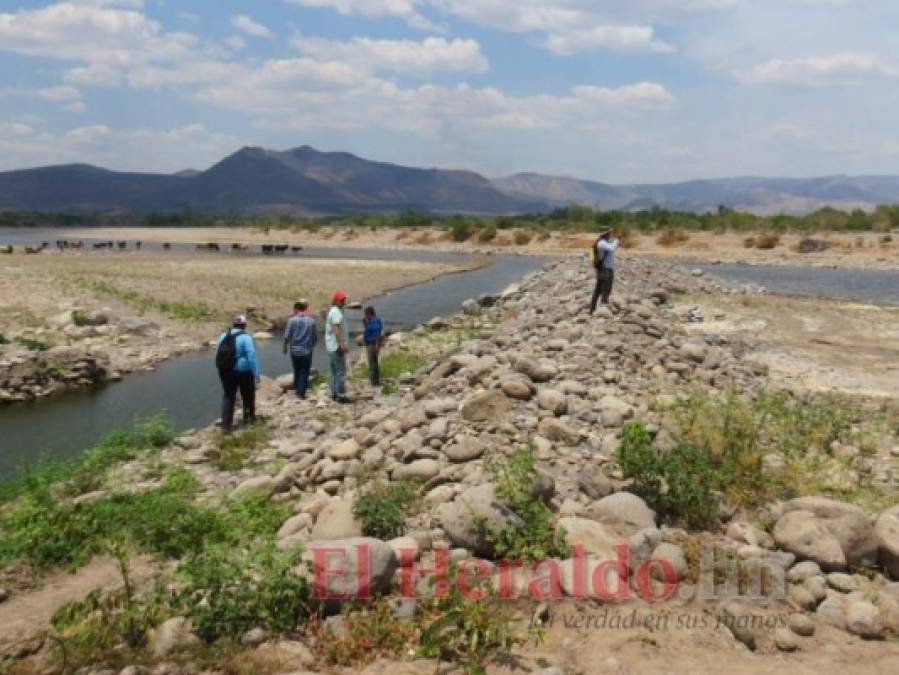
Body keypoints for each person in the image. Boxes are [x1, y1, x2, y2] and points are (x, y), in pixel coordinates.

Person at [216, 315, 260, 432]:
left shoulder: (223, 336)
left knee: (228, 396)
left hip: (225, 370)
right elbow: (251, 356)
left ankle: (226, 425)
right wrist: (256, 373)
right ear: (244, 325)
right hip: (243, 371)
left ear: (233, 324)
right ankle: (249, 419)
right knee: (248, 395)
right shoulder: (246, 337)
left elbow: (218, 353)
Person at [283, 300, 317, 399]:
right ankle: (301, 393)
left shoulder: (291, 320)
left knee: (297, 369)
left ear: (296, 309)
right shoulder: (311, 321)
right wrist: (312, 346)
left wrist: (285, 347)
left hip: (294, 350)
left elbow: (287, 335)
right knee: (304, 371)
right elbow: (314, 337)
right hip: (307, 350)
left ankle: (297, 389)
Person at [325, 290, 351, 403]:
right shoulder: (335, 311)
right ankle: (340, 395)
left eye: (344, 299)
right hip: (336, 347)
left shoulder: (336, 310)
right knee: (340, 371)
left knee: (335, 371)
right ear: (336, 301)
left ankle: (335, 394)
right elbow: (336, 329)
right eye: (341, 300)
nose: (343, 302)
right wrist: (342, 345)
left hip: (332, 346)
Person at [589, 230, 620, 313]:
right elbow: (612, 248)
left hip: (603, 269)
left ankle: (592, 310)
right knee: (605, 289)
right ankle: (602, 309)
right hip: (605, 270)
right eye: (609, 234)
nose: (610, 235)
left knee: (598, 290)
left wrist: (615, 242)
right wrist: (617, 240)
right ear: (606, 234)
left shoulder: (602, 242)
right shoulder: (602, 243)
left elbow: (611, 247)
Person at [362, 306, 384, 387]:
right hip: (370, 343)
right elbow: (368, 330)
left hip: (372, 344)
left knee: (372, 363)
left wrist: (377, 345)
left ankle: (374, 382)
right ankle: (375, 381)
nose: (365, 316)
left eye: (366, 314)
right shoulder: (371, 321)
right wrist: (365, 323)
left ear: (369, 314)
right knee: (374, 363)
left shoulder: (375, 321)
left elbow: (377, 334)